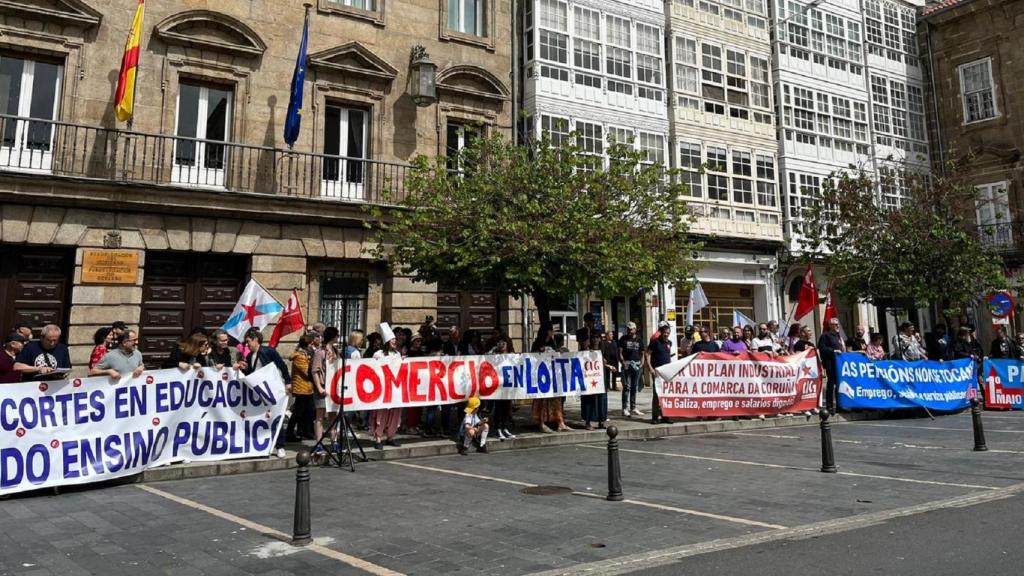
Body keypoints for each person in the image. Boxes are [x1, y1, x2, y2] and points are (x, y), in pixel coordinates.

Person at [242, 328, 291, 458]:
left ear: (255, 340)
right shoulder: (249, 356)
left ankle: (280, 446)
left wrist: (288, 382)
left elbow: (282, 366)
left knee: (276, 416)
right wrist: (244, 369)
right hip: (259, 392)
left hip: (272, 390)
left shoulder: (269, 352)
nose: (247, 345)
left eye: (248, 341)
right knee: (262, 417)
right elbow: (250, 375)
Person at [531, 323, 571, 433]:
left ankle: (560, 422)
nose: (553, 332)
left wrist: (559, 352)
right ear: (547, 331)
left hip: (552, 375)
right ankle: (541, 422)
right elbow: (532, 357)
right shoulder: (537, 343)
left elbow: (554, 355)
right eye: (551, 330)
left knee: (556, 399)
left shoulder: (552, 342)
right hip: (542, 375)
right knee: (542, 400)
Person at [370, 325, 403, 449]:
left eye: (395, 339)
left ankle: (390, 436)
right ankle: (378, 438)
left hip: (395, 388)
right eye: (392, 339)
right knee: (381, 413)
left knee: (395, 413)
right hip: (383, 389)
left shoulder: (397, 354)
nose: (395, 341)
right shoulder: (378, 354)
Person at [310, 326, 340, 452]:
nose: (338, 337)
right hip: (322, 387)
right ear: (333, 336)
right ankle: (319, 443)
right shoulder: (320, 352)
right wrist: (319, 387)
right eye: (337, 335)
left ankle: (334, 441)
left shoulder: (335, 351)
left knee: (333, 415)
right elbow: (315, 371)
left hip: (333, 387)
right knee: (320, 416)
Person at [285, 333, 317, 443]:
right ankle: (289, 432)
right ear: (307, 345)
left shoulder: (306, 355)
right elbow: (307, 372)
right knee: (298, 411)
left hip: (308, 388)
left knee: (309, 411)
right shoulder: (299, 356)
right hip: (301, 388)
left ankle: (304, 431)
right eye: (310, 344)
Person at [645, 320, 674, 424]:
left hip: (666, 372)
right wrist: (650, 368)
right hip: (657, 371)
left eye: (668, 332)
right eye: (665, 332)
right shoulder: (655, 342)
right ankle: (655, 417)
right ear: (661, 332)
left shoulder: (669, 343)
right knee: (657, 394)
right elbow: (647, 354)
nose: (666, 334)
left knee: (666, 394)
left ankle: (666, 416)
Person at [817, 318, 846, 413]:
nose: (838, 326)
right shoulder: (825, 336)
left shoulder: (838, 336)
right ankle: (829, 406)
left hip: (839, 364)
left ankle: (840, 405)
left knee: (839, 384)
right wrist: (833, 351)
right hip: (831, 363)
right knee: (831, 384)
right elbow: (822, 348)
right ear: (830, 325)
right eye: (835, 324)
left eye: (838, 324)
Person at [581, 332, 609, 430]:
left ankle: (601, 421)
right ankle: (588, 422)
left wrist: (607, 364)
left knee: (602, 400)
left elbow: (605, 362)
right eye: (594, 337)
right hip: (590, 379)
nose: (596, 339)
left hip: (601, 378)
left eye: (598, 337)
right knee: (590, 400)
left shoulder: (602, 350)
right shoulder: (587, 350)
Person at [618, 321, 644, 417]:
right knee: (627, 387)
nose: (629, 331)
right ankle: (625, 408)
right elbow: (619, 351)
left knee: (634, 386)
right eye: (628, 329)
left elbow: (642, 352)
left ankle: (633, 407)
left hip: (636, 365)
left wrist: (642, 363)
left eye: (631, 329)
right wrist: (622, 361)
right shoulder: (623, 339)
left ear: (635, 329)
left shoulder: (639, 339)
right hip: (627, 364)